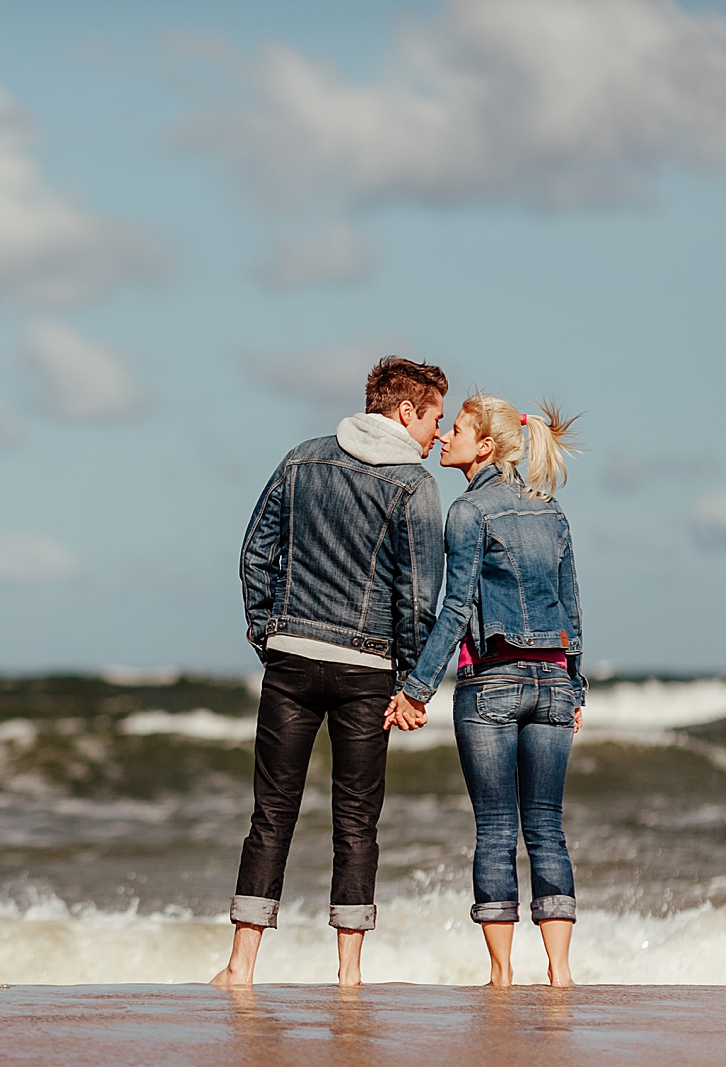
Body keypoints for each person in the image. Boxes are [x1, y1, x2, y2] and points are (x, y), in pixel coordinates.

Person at [211, 357, 447, 989]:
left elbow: (255, 550)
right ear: (404, 412)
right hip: (367, 671)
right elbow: (419, 594)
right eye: (433, 419)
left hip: (291, 657)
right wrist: (411, 681)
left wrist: (268, 631)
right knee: (356, 818)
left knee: (272, 811)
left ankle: (240, 966)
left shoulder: (301, 458)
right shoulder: (415, 484)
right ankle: (347, 976)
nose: (436, 435)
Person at [386, 393, 583, 988]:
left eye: (460, 430)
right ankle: (561, 972)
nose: (446, 436)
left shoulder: (469, 513)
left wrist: (415, 688)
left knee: (497, 829)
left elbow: (455, 608)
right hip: (552, 680)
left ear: (486, 447)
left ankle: (501, 976)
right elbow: (572, 609)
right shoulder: (552, 510)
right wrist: (575, 688)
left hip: (491, 683)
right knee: (546, 826)